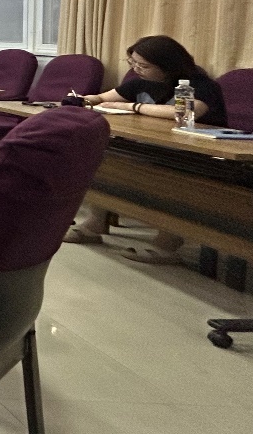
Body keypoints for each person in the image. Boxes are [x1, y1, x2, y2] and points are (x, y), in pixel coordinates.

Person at [67, 35, 228, 263]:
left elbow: (185, 112)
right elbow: (103, 98)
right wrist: (85, 100)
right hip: (156, 147)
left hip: (200, 155)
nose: (136, 69)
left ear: (167, 66)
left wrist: (134, 106)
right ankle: (95, 225)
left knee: (171, 177)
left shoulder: (201, 85)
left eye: (143, 66)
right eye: (133, 63)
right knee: (104, 160)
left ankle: (167, 245)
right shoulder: (140, 82)